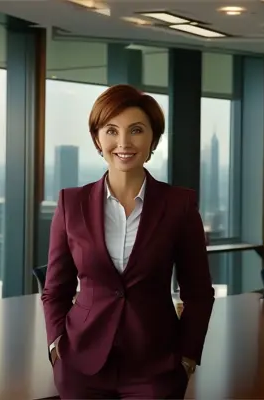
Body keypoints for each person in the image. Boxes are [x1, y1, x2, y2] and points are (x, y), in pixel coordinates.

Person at [41, 84, 215, 399]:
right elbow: (55, 290)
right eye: (111, 130)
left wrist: (188, 356)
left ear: (153, 139)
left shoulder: (179, 206)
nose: (123, 142)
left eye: (136, 130)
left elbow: (199, 292)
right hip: (82, 363)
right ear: (97, 138)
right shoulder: (71, 204)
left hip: (156, 365)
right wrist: (56, 346)